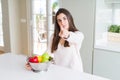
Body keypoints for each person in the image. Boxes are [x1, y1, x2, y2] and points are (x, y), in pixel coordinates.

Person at [26, 8, 84, 72]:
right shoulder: (54, 36)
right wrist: (35, 65)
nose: (62, 22)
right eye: (59, 20)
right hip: (59, 71)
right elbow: (47, 54)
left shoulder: (78, 34)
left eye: (64, 18)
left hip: (74, 72)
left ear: (69, 19)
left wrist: (67, 35)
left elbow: (75, 38)